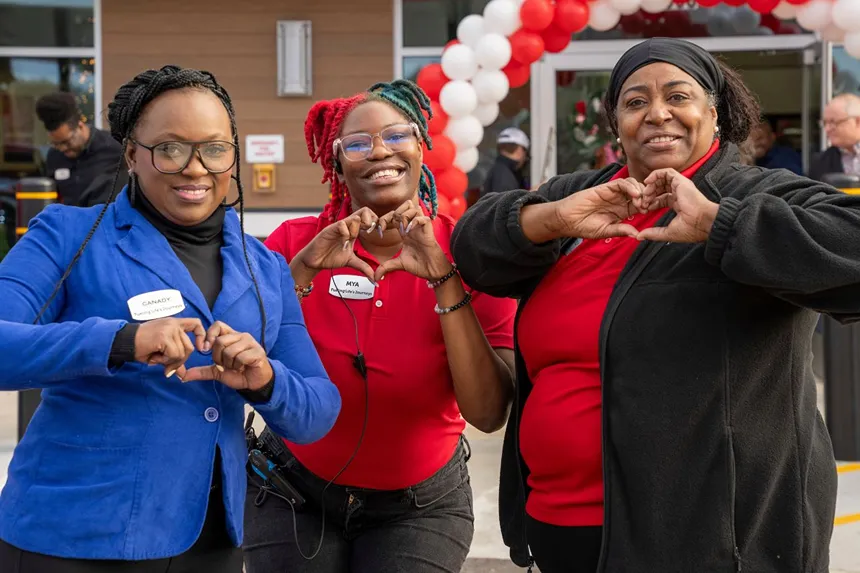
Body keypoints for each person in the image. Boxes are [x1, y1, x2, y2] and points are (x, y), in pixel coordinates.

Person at [452, 38, 858, 573]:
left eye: (677, 96)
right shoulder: (587, 195)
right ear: (616, 122)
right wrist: (550, 219)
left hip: (712, 546)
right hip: (562, 531)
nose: (657, 113)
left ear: (713, 112)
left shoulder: (759, 193)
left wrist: (721, 224)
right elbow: (474, 244)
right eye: (635, 101)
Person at [0, 65, 341, 572]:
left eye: (215, 148)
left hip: (208, 543)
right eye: (171, 148)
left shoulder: (263, 265)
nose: (196, 168)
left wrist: (266, 381)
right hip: (70, 536)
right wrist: (119, 341)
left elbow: (317, 411)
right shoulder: (67, 236)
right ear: (132, 154)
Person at [242, 80, 517, 573]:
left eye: (395, 136)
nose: (379, 152)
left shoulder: (471, 253)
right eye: (358, 143)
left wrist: (444, 280)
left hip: (420, 507)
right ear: (338, 162)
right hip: (293, 490)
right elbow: (243, 358)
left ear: (420, 146)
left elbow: (489, 413)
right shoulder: (294, 243)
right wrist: (301, 272)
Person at [35, 92, 128, 206]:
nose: (62, 148)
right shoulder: (54, 156)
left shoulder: (114, 147)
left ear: (80, 126)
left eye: (66, 142)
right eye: (56, 144)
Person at [810, 93, 860, 181]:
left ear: (857, 121)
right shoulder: (820, 162)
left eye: (833, 122)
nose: (827, 129)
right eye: (825, 123)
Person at [482, 127, 530, 197]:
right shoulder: (505, 175)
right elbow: (507, 205)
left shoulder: (497, 169)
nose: (525, 158)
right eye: (525, 152)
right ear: (519, 150)